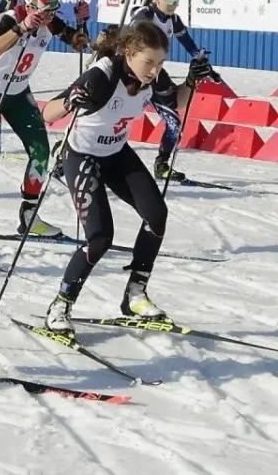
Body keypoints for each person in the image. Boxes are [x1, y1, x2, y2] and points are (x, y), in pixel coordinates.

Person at [40, 22, 214, 333]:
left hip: (116, 153)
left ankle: (135, 293)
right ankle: (61, 304)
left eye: (160, 63)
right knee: (100, 237)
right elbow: (48, 113)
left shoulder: (152, 76)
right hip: (82, 156)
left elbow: (176, 102)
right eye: (149, 62)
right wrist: (70, 101)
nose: (154, 69)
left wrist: (192, 80)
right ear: (129, 52)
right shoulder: (103, 74)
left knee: (156, 214)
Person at [0, 0, 88, 253]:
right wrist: (22, 28)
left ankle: (29, 215)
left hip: (17, 93)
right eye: (44, 11)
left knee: (41, 150)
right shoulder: (9, 18)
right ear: (30, 5)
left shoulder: (49, 22)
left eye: (53, 11)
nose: (49, 17)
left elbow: (79, 43)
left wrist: (82, 22)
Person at [130, 0, 217, 181]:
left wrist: (201, 59)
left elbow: (189, 44)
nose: (173, 3)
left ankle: (162, 164)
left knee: (174, 122)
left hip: (155, 73)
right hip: (132, 72)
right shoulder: (146, 13)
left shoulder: (173, 19)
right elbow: (134, 29)